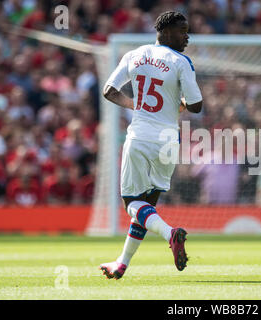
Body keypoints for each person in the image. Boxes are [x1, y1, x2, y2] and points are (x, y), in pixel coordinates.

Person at [100, 11, 203, 279]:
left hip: (141, 136)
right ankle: (122, 262)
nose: (187, 36)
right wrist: (178, 103)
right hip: (169, 141)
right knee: (147, 207)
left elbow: (109, 90)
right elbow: (196, 105)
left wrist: (136, 105)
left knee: (132, 202)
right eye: (182, 31)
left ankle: (170, 233)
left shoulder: (134, 55)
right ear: (165, 32)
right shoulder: (182, 62)